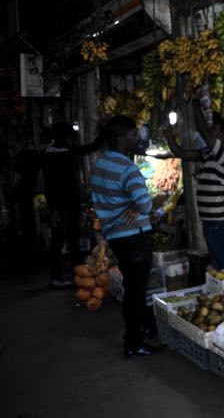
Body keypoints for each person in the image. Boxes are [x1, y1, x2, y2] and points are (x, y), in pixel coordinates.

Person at [90, 115, 161, 357]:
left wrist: (130, 205)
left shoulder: (100, 164)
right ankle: (133, 342)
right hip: (135, 238)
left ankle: (148, 328)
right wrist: (135, 205)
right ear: (121, 139)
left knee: (134, 286)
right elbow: (146, 205)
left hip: (117, 236)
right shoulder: (128, 168)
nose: (137, 138)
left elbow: (113, 199)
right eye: (133, 134)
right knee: (135, 290)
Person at [162, 98, 224, 270]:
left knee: (223, 262)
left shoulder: (222, 151)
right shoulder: (208, 153)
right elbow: (180, 152)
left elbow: (203, 130)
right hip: (209, 219)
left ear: (222, 136)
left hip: (217, 220)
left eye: (215, 129)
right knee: (218, 260)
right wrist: (167, 133)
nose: (211, 130)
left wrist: (195, 101)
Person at [41, 122, 103, 288]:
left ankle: (78, 273)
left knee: (70, 238)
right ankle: (55, 277)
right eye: (69, 136)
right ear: (65, 137)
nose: (71, 139)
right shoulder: (64, 154)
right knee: (60, 240)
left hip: (67, 203)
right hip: (62, 204)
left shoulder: (49, 154)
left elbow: (92, 146)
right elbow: (93, 146)